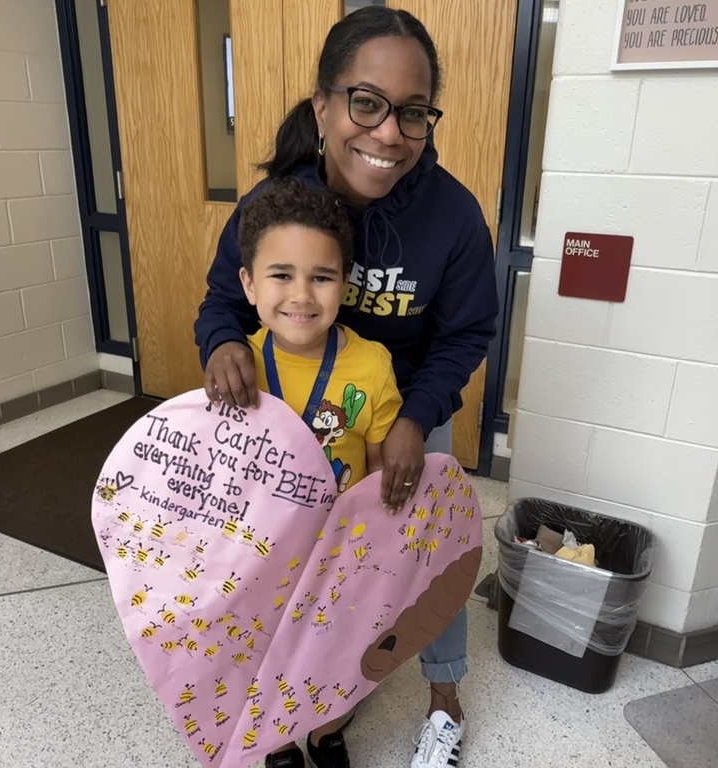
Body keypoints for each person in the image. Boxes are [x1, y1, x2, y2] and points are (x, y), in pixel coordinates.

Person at [194, 7, 499, 768]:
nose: (389, 132)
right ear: (324, 106)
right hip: (294, 417)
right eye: (366, 103)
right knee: (290, 566)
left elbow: (465, 334)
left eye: (413, 111)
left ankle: (445, 699)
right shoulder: (277, 205)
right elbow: (226, 298)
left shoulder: (453, 216)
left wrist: (416, 419)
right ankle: (293, 696)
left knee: (426, 547)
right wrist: (223, 342)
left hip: (403, 409)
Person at [235, 176, 404, 768]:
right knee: (265, 650)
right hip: (261, 555)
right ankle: (278, 741)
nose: (301, 295)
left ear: (345, 284)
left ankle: (326, 731)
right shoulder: (239, 366)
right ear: (249, 284)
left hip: (341, 554)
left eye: (322, 277)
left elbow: (380, 473)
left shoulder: (371, 364)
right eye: (281, 275)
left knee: (339, 651)